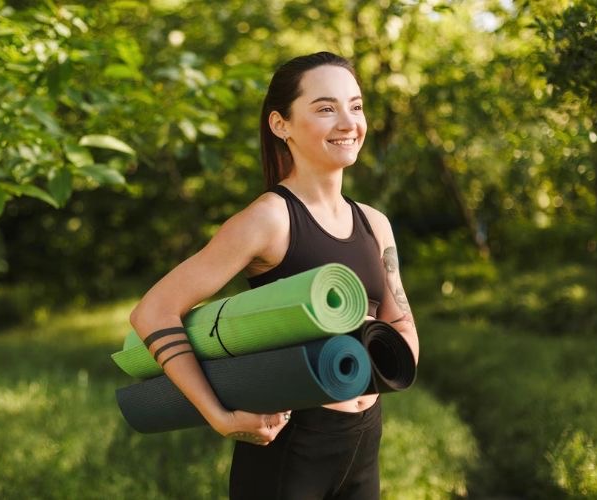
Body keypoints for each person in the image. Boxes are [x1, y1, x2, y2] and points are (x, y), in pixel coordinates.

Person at [129, 51, 419, 500]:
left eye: (355, 106)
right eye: (326, 108)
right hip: (290, 445)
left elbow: (399, 320)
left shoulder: (373, 222)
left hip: (363, 438)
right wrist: (219, 415)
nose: (348, 122)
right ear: (280, 124)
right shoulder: (270, 219)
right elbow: (154, 311)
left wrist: (389, 375)